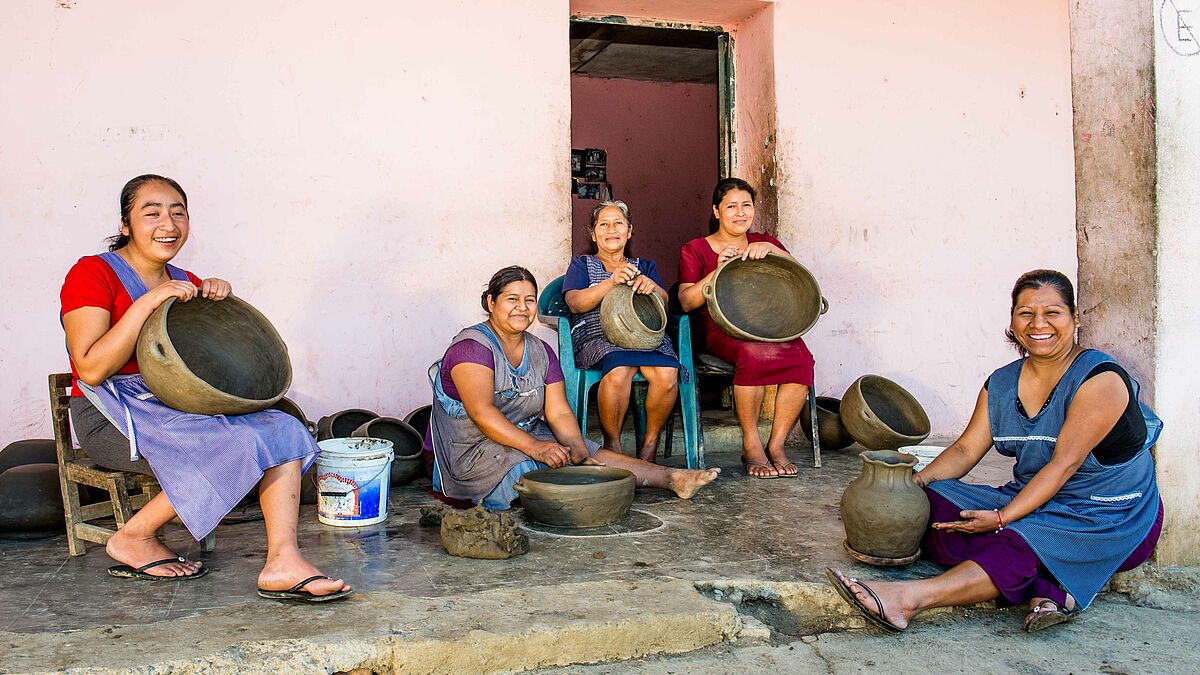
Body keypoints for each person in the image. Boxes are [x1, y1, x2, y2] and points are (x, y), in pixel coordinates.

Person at [60, 174, 350, 602]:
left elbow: (203, 364)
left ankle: (283, 561)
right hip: (111, 418)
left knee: (284, 428)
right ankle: (133, 536)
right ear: (125, 224)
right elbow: (91, 367)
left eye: (178, 212)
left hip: (178, 406)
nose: (168, 223)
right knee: (233, 444)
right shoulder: (91, 273)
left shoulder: (184, 279)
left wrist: (218, 302)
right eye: (152, 212)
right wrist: (147, 303)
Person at [827, 269, 1163, 633]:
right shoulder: (1002, 383)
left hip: (1108, 514)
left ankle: (908, 599)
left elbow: (1062, 466)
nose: (1039, 324)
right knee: (932, 508)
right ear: (1013, 320)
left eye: (1053, 313)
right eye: (1026, 313)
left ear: (1074, 317)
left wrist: (1003, 518)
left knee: (1018, 541)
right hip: (1034, 500)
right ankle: (1044, 586)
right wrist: (911, 486)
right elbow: (966, 449)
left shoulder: (1099, 380)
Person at [428, 266, 720, 509]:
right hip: (472, 449)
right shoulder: (472, 348)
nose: (522, 308)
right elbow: (481, 412)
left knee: (587, 455)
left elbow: (557, 413)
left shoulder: (541, 350)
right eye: (512, 299)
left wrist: (580, 452)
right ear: (491, 303)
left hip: (523, 435)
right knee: (540, 468)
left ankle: (671, 478)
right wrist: (536, 448)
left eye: (530, 300)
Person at [677, 178, 815, 478]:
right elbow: (686, 301)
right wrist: (716, 272)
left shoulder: (764, 241)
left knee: (801, 358)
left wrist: (769, 248)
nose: (740, 213)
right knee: (754, 356)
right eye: (731, 206)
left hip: (765, 325)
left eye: (746, 206)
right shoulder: (696, 249)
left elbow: (799, 274)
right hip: (718, 329)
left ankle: (776, 445)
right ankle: (752, 445)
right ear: (716, 211)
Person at [562, 200, 679, 462]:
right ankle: (613, 446)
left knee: (667, 373)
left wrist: (652, 287)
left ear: (629, 231)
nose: (611, 229)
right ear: (594, 235)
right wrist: (611, 281)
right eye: (603, 224)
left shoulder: (644, 266)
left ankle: (649, 445)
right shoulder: (582, 265)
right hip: (598, 336)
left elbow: (664, 301)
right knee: (618, 372)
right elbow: (575, 303)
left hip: (645, 337)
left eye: (618, 223)